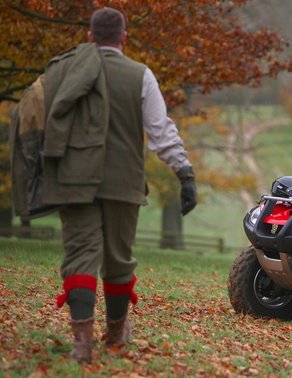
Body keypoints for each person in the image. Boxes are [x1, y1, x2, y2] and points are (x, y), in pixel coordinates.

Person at [41, 8, 197, 363]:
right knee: (117, 260)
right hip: (124, 184)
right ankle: (115, 336)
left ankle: (82, 345)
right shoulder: (140, 75)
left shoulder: (65, 71)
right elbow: (161, 132)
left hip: (74, 182)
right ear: (124, 38)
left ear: (90, 36)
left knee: (79, 256)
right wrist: (184, 174)